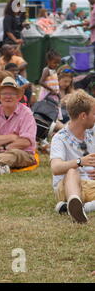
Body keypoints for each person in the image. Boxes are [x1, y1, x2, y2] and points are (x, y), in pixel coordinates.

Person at [50, 90, 95, 224]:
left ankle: (77, 208)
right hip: (68, 187)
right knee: (72, 170)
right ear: (83, 116)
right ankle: (74, 202)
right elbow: (56, 168)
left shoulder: (92, 131)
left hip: (90, 185)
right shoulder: (60, 138)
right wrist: (80, 162)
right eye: (93, 113)